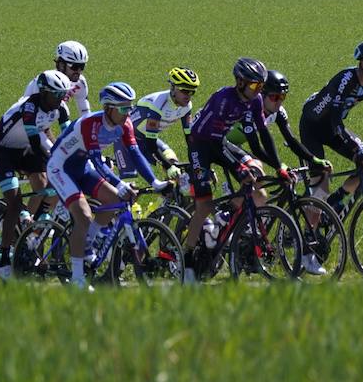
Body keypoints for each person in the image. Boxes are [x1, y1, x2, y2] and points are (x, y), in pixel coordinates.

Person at [45, 82, 169, 289]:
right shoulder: (90, 124)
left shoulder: (125, 123)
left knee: (114, 201)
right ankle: (77, 278)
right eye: (123, 108)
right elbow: (98, 161)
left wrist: (155, 182)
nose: (127, 112)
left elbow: (135, 154)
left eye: (129, 107)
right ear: (108, 108)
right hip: (60, 168)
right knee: (83, 216)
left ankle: (87, 242)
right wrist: (119, 183)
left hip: (82, 165)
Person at [180, 57, 277, 283]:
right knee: (203, 205)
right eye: (254, 85)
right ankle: (188, 258)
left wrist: (279, 165)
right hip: (201, 145)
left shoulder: (254, 101)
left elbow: (262, 136)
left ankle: (225, 217)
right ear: (240, 82)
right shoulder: (224, 99)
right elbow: (212, 144)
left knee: (256, 179)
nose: (258, 91)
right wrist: (237, 167)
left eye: (261, 86)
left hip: (220, 141)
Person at [225, 70, 332, 274]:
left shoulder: (278, 113)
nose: (279, 102)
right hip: (223, 143)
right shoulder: (250, 109)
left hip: (239, 146)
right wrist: (279, 166)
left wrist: (314, 160)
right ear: (261, 95)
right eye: (274, 97)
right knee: (256, 171)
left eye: (283, 97)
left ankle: (246, 239)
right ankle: (225, 219)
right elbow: (257, 148)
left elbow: (291, 141)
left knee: (260, 196)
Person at [299, 41, 363, 215]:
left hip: (332, 128)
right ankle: (308, 232)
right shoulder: (345, 80)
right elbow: (335, 121)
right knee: (321, 186)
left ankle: (332, 205)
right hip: (312, 128)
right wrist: (355, 148)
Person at [0, 70, 74, 278]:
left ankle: (34, 230)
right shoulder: (29, 106)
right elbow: (36, 143)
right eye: (56, 95)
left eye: (63, 95)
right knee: (15, 203)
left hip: (25, 149)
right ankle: (4, 257)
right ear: (44, 92)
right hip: (3, 150)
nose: (60, 99)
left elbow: (71, 136)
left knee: (52, 184)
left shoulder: (60, 107)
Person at [129, 67, 199, 172]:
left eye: (192, 92)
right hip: (128, 137)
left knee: (173, 161)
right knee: (130, 180)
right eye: (184, 91)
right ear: (173, 88)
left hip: (145, 137)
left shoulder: (187, 106)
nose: (188, 96)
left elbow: (190, 138)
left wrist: (198, 165)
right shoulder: (158, 105)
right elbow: (150, 143)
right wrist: (168, 166)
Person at [25, 41, 92, 118]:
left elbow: (85, 113)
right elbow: (28, 114)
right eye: (75, 67)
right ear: (61, 65)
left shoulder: (80, 82)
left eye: (82, 66)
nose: (79, 71)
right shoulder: (43, 83)